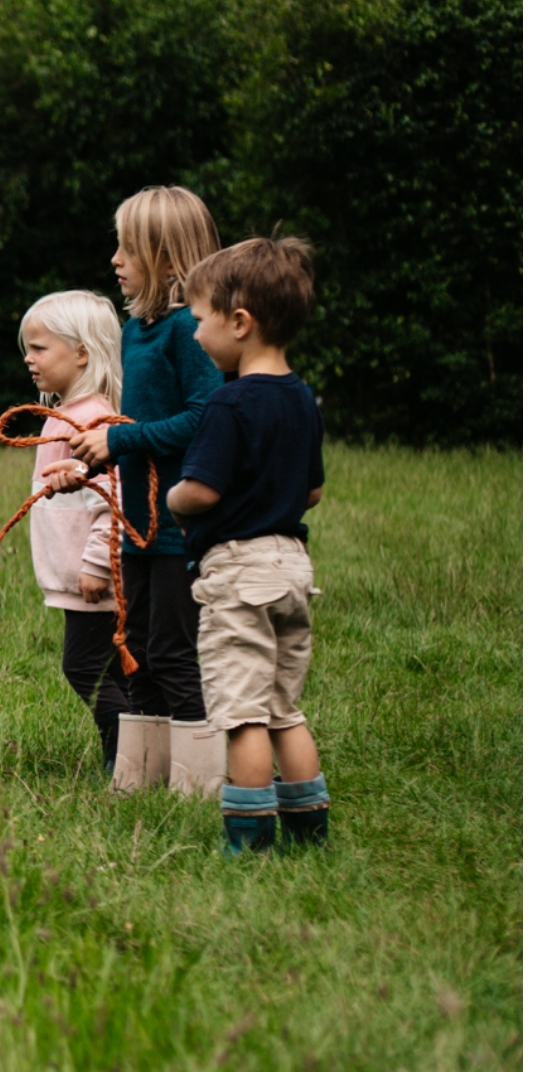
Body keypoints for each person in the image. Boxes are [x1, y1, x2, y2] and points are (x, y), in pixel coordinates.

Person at [60, 186, 226, 796]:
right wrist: (89, 466)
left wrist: (120, 445)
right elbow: (133, 431)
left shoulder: (190, 330)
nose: (115, 260)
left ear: (166, 256)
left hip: (180, 527)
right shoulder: (137, 331)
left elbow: (205, 417)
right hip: (138, 526)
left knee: (176, 653)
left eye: (127, 248)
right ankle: (138, 782)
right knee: (140, 652)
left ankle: (199, 787)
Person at [165, 237, 329, 853]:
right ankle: (310, 834)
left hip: (238, 570)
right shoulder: (301, 399)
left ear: (240, 322)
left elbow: (202, 492)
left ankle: (250, 843)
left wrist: (174, 498)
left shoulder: (229, 402)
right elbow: (311, 492)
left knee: (243, 715)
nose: (196, 333)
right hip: (292, 567)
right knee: (285, 707)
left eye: (200, 319)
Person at [17, 289, 135, 776]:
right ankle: (140, 753)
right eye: (27, 347)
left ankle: (124, 758)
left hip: (95, 582)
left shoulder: (89, 419)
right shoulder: (65, 414)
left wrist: (95, 565)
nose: (29, 358)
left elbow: (110, 500)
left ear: (82, 353)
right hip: (85, 582)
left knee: (84, 666)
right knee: (107, 666)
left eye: (40, 348)